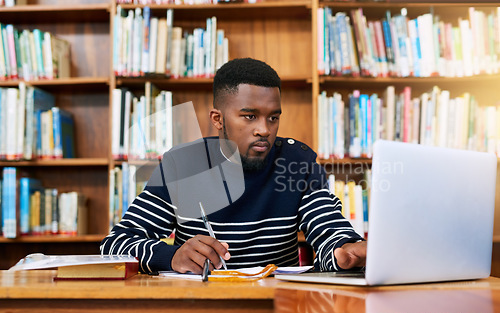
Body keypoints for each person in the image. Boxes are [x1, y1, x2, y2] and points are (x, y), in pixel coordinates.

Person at [100, 58, 367, 274]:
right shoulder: (182, 166)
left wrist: (344, 251)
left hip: (277, 308)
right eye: (249, 116)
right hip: (199, 307)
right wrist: (172, 257)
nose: (264, 130)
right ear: (218, 119)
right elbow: (114, 246)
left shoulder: (298, 163)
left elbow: (329, 228)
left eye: (273, 118)